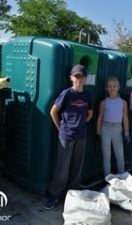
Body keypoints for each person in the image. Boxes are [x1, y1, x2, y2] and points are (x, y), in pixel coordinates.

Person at [44, 64, 93, 210]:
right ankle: (55, 194)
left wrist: (83, 123)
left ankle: (73, 193)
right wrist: (61, 128)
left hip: (81, 135)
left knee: (77, 166)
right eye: (76, 76)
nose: (79, 79)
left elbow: (90, 112)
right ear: (71, 78)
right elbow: (53, 112)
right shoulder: (66, 93)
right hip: (66, 135)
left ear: (85, 78)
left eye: (82, 76)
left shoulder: (87, 95)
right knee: (62, 167)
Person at [96, 77, 130, 177]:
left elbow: (125, 118)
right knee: (106, 155)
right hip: (105, 128)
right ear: (106, 88)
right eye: (109, 86)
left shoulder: (123, 102)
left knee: (120, 155)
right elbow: (99, 118)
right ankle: (107, 178)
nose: (112, 88)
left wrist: (127, 133)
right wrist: (98, 132)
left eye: (114, 86)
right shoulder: (104, 102)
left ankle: (122, 176)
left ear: (118, 87)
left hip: (117, 129)